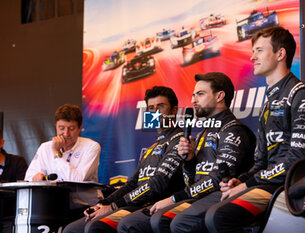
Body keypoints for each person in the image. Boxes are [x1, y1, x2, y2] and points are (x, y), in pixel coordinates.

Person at [205, 26, 305, 232]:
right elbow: (261, 162)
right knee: (204, 212)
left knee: (217, 216)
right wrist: (240, 180)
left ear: (281, 54)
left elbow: (297, 161)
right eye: (253, 51)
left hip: (291, 185)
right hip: (268, 183)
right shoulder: (267, 105)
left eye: (259, 50)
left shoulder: (302, 95)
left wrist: (248, 184)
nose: (252, 57)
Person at [117, 72, 256, 233]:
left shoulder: (233, 129)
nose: (193, 100)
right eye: (193, 95)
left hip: (221, 196)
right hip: (199, 196)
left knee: (168, 221)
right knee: (143, 221)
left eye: (200, 94)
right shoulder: (202, 133)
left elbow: (216, 180)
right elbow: (192, 181)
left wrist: (175, 198)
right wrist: (189, 161)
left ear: (220, 96)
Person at [63, 86, 185, 233]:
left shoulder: (180, 142)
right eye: (151, 108)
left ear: (174, 111)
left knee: (96, 226)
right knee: (71, 229)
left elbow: (155, 185)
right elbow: (131, 184)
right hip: (134, 205)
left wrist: (114, 206)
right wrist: (104, 203)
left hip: (154, 206)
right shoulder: (153, 147)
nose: (155, 112)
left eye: (161, 106)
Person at [25, 104, 101, 182]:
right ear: (56, 127)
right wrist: (36, 177)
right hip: (51, 194)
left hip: (81, 194)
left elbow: (77, 181)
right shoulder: (45, 147)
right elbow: (28, 179)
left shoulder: (91, 147)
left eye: (71, 129)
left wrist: (57, 153)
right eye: (61, 128)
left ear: (80, 128)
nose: (66, 133)